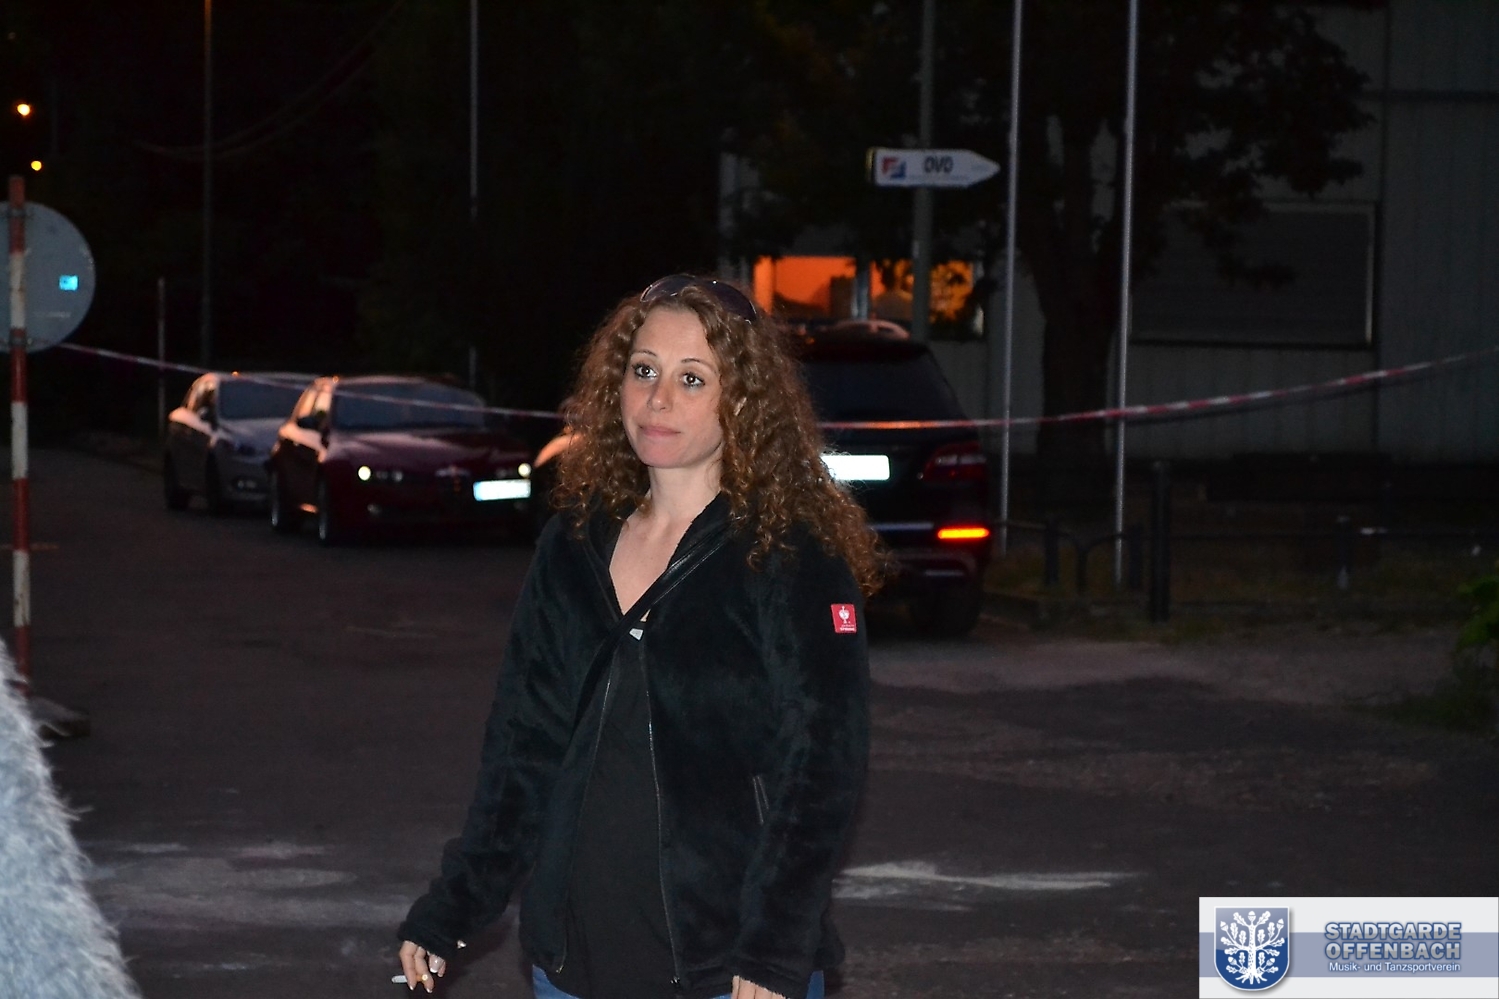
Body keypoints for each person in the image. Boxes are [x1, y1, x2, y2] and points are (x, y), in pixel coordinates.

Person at [397, 274, 884, 999]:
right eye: (644, 370)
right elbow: (522, 747)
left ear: (743, 400)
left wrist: (774, 947)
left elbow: (820, 771)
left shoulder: (791, 554)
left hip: (727, 965)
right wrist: (455, 904)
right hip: (572, 963)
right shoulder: (573, 544)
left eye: (692, 379)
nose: (658, 400)